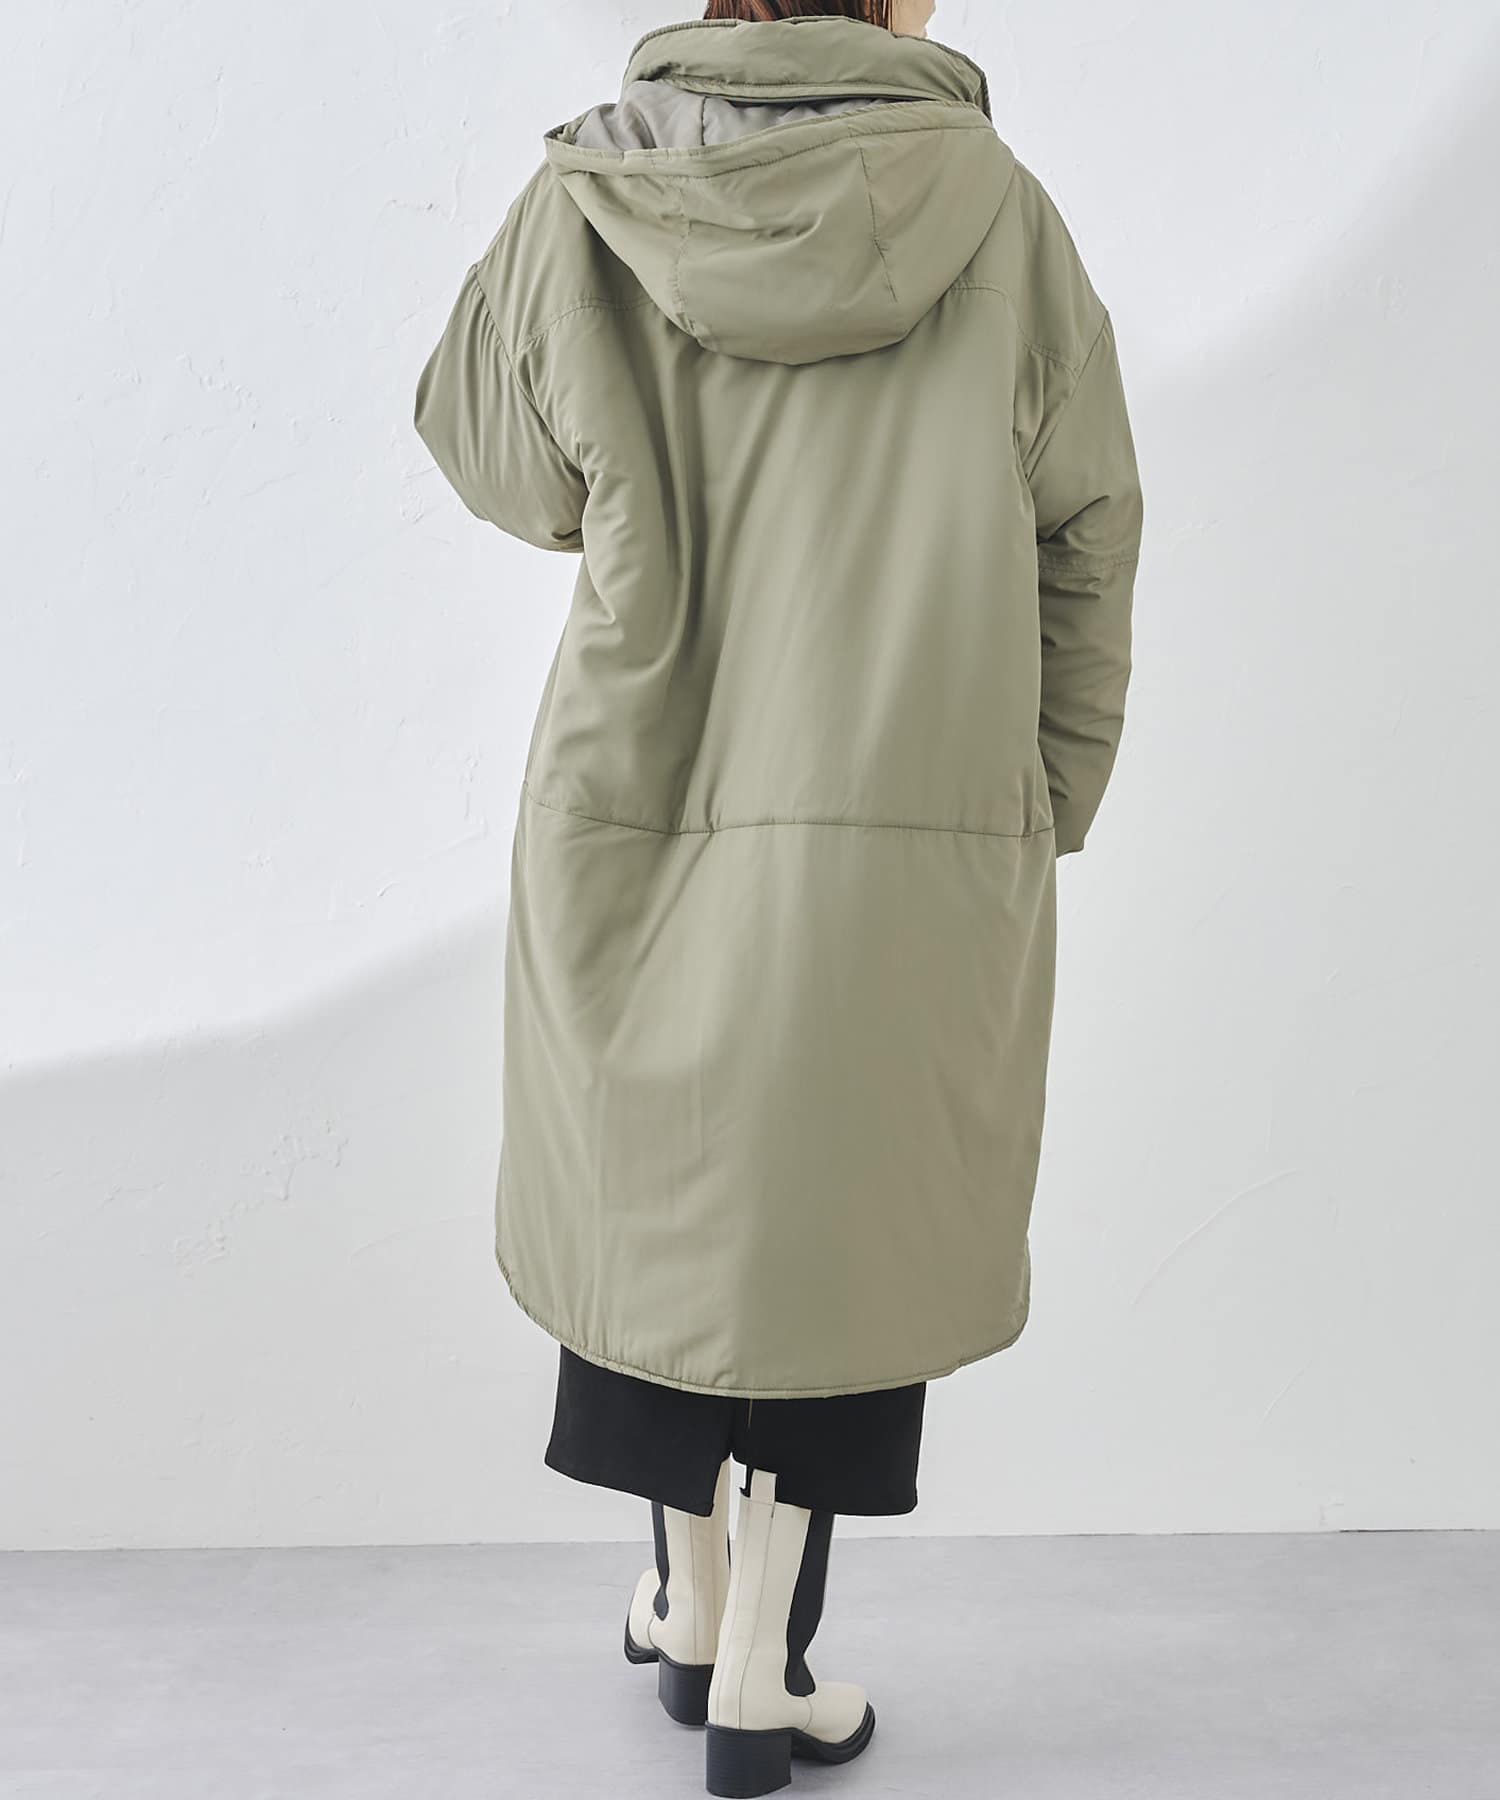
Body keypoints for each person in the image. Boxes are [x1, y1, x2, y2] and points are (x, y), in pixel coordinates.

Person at [414, 0, 1142, 1791]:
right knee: (844, 1223)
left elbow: (493, 457)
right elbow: (1090, 525)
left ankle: (688, 1596)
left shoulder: (589, 194)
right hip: (914, 811)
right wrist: (1049, 786)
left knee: (660, 1205)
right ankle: (759, 1660)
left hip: (636, 794)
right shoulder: (998, 212)